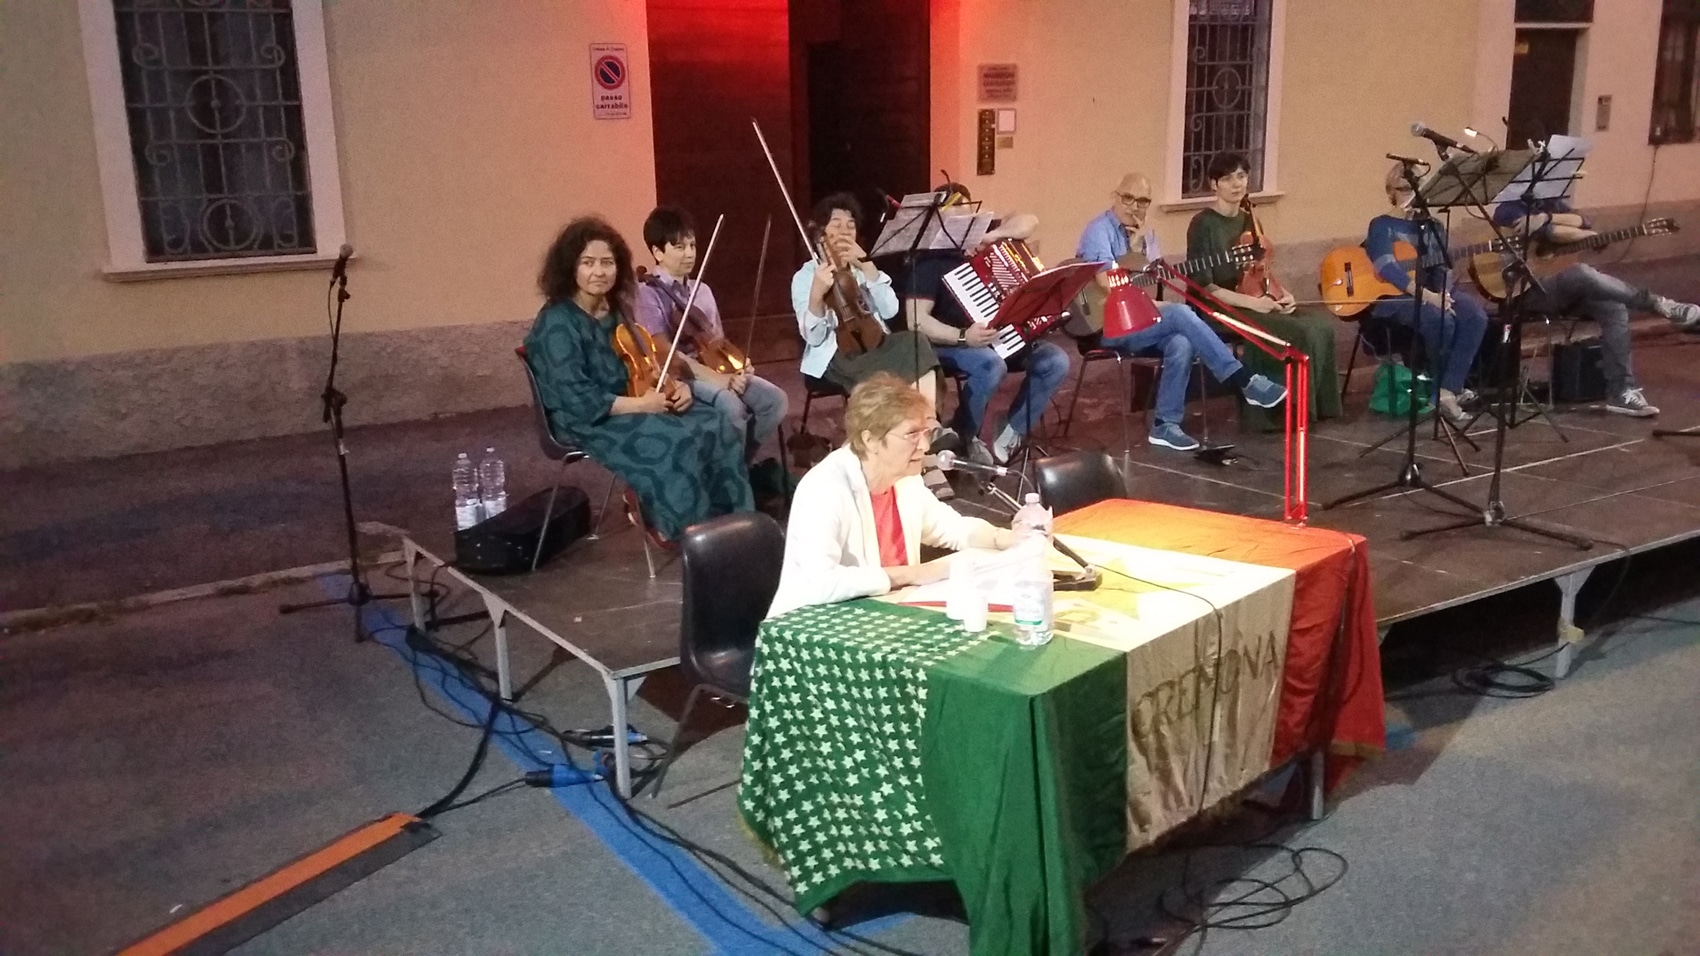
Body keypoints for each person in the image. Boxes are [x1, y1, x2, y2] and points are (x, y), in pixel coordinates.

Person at [524, 216, 753, 544]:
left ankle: (734, 525)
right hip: (587, 418)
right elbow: (576, 398)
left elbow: (645, 363)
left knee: (714, 422)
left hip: (632, 398)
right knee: (677, 439)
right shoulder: (557, 323)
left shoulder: (614, 309)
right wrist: (643, 405)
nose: (599, 272)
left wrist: (675, 387)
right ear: (570, 267)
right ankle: (690, 534)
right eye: (588, 263)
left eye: (607, 262)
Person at [767, 373, 1020, 619]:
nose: (924, 446)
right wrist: (914, 574)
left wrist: (1004, 537)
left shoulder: (904, 479)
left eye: (926, 433)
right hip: (819, 629)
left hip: (887, 615)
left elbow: (951, 528)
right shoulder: (825, 489)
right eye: (912, 434)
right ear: (870, 440)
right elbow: (817, 583)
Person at [1076, 172, 1288, 451]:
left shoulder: (1147, 236)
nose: (1134, 206)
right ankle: (1244, 379)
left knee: (1181, 341)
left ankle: (1165, 424)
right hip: (1102, 325)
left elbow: (1147, 282)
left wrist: (1141, 250)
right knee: (1179, 314)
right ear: (1114, 197)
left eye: (1142, 201)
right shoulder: (1098, 231)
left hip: (1134, 321)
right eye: (1128, 198)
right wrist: (1134, 253)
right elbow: (1107, 284)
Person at [903, 184, 1070, 464]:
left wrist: (991, 236)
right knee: (990, 364)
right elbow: (916, 320)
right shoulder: (930, 261)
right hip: (951, 343)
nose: (964, 219)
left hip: (1001, 336)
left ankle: (1013, 428)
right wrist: (963, 336)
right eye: (955, 212)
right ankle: (963, 436)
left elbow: (1029, 220)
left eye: (968, 212)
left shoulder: (984, 237)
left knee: (1056, 360)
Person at [1492, 193, 1700, 417]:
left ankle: (1621, 391)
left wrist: (1546, 217)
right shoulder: (1507, 209)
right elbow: (1550, 233)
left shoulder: (1552, 204)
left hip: (1565, 292)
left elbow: (1582, 220)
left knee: (1614, 306)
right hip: (1526, 292)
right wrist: (1566, 229)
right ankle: (1657, 303)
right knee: (1580, 272)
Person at [1185, 152, 1343, 429]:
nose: (1236, 184)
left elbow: (1261, 271)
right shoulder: (1203, 224)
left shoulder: (1251, 220)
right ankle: (1278, 413)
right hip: (1218, 306)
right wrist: (1253, 304)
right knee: (1297, 331)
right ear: (1213, 184)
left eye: (1241, 176)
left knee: (1320, 325)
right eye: (1227, 178)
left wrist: (1283, 294)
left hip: (1253, 298)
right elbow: (1204, 286)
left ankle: (1316, 408)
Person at [634, 206, 790, 467]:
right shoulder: (647, 293)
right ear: (657, 252)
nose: (689, 253)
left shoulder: (702, 290)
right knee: (732, 407)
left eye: (692, 245)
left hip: (715, 368)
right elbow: (663, 352)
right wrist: (720, 380)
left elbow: (718, 342)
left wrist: (738, 365)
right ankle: (729, 477)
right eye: (679, 247)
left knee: (775, 401)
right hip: (681, 376)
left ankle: (738, 467)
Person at [1365, 162, 1491, 426]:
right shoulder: (1381, 225)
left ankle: (1447, 389)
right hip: (1395, 297)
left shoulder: (1433, 226)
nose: (1411, 195)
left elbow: (1442, 266)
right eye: (1404, 189)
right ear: (1391, 192)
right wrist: (1428, 297)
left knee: (1474, 316)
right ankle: (1441, 389)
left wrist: (1443, 292)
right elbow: (1387, 267)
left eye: (1417, 189)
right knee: (1440, 320)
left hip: (1431, 292)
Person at [789, 192, 942, 399]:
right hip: (838, 355)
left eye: (850, 226)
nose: (845, 231)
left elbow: (890, 311)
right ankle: (909, 415)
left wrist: (869, 267)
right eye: (836, 225)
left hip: (875, 342)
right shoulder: (806, 276)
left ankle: (928, 415)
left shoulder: (861, 267)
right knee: (889, 376)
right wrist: (816, 296)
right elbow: (814, 339)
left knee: (916, 342)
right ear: (821, 233)